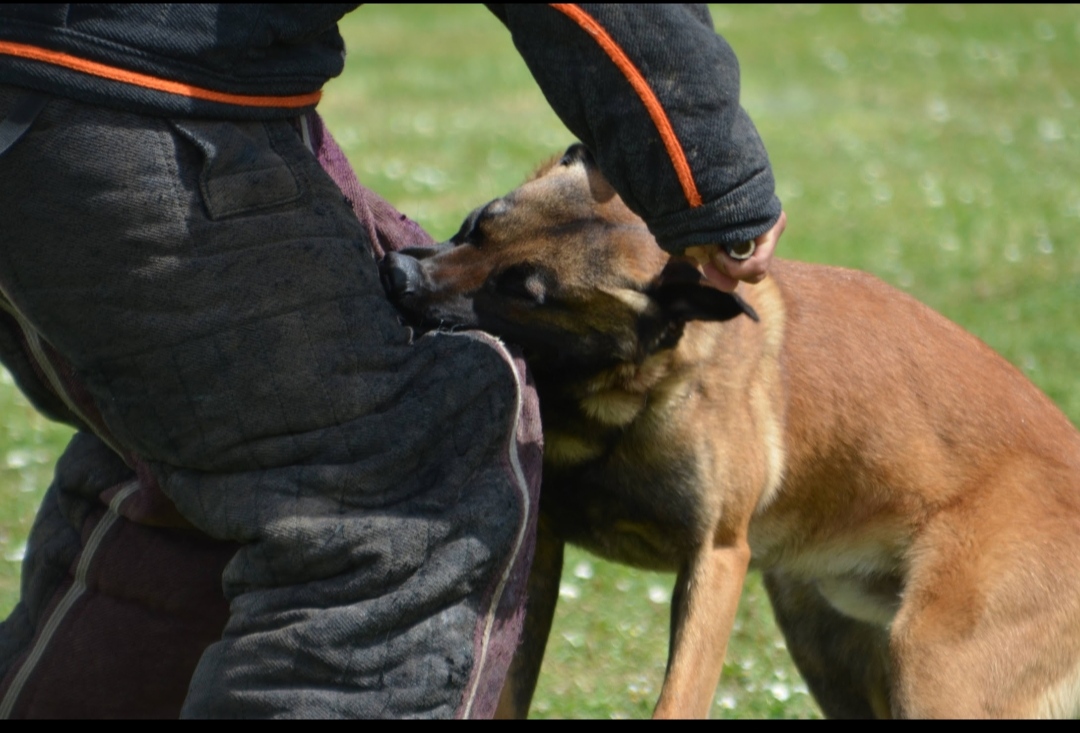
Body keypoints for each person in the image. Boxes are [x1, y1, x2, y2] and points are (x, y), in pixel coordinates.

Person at [0, 4, 784, 718]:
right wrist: (714, 179)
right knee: (402, 487)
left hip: (106, 95)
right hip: (121, 106)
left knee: (228, 454)